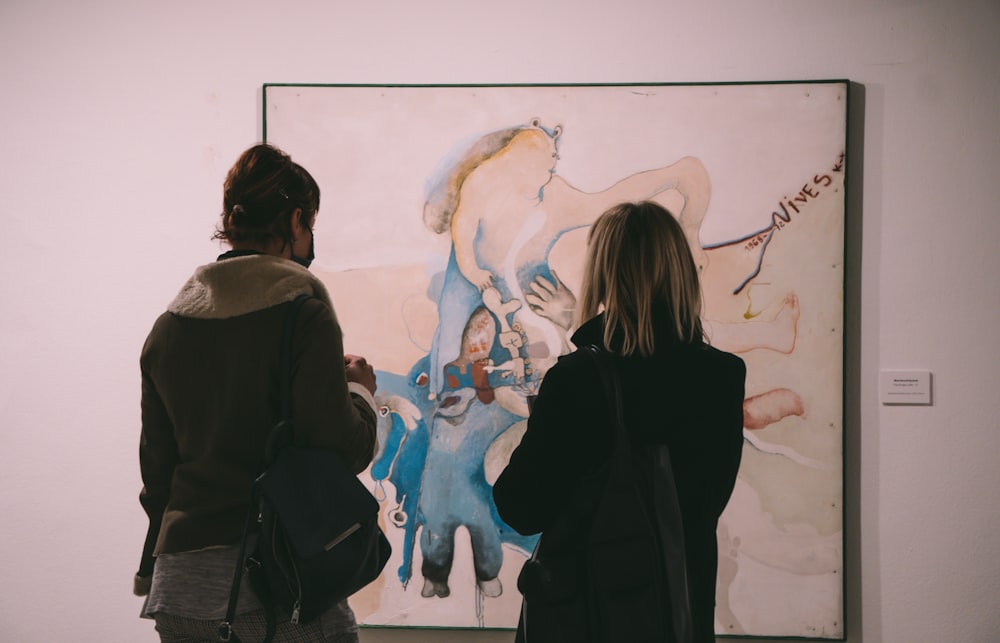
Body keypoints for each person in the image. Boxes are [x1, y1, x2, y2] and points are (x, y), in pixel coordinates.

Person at [134, 143, 379, 643]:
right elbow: (340, 448)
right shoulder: (301, 313)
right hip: (268, 585)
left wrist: (148, 569)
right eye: (309, 225)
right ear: (294, 222)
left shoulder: (168, 327)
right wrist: (359, 391)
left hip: (178, 591)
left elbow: (157, 476)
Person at [492, 201, 747, 642]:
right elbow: (704, 502)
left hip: (587, 615)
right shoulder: (722, 376)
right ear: (681, 270)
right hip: (679, 611)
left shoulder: (577, 380)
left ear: (605, 274)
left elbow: (521, 506)